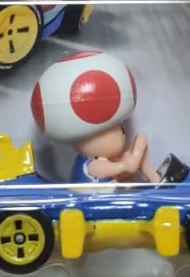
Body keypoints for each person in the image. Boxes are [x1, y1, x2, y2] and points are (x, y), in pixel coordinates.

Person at [30, 50, 159, 183]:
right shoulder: (94, 165)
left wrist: (145, 169)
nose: (123, 136)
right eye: (121, 130)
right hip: (92, 197)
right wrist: (133, 155)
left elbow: (125, 170)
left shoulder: (106, 162)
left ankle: (156, 179)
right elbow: (128, 167)